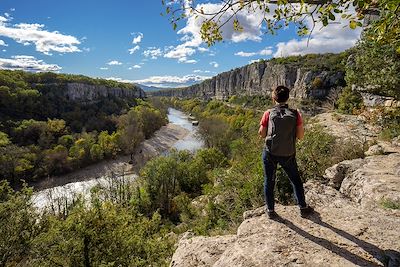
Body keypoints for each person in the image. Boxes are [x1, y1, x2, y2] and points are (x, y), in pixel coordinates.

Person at [258, 85, 313, 219]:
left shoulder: (268, 113)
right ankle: (303, 208)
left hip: (270, 152)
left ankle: (270, 211)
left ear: (274, 98)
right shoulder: (295, 113)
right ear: (288, 98)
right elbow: (300, 136)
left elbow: (261, 133)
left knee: (269, 181)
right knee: (295, 180)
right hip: (288, 153)